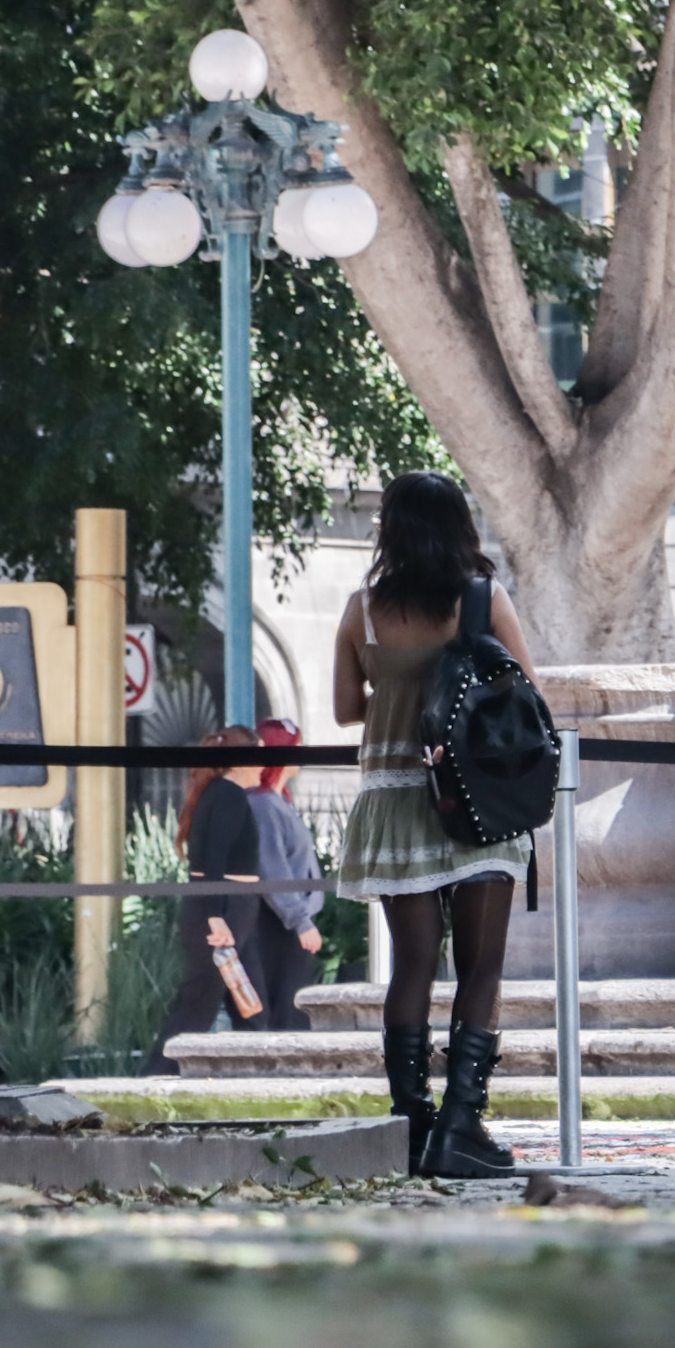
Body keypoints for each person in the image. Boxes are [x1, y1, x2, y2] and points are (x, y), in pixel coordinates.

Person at [333, 474, 536, 1178]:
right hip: (477, 799)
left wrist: (399, 691)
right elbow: (526, 696)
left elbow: (342, 710)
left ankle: (410, 1126)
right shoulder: (484, 600)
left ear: (390, 529)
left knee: (413, 965)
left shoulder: (362, 611)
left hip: (394, 799)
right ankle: (461, 1127)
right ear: (460, 526)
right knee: (481, 968)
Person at [147, 725, 266, 1072]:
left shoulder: (222, 793)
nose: (265, 765)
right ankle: (156, 1077)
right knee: (196, 1006)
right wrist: (216, 917)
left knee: (252, 1004)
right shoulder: (227, 794)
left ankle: (256, 1081)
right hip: (222, 910)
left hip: (233, 909)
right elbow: (212, 859)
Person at [247, 718, 325, 1033]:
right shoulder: (264, 806)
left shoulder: (278, 802)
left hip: (288, 923)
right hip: (278, 924)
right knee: (287, 1011)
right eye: (295, 745)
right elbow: (272, 868)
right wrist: (301, 921)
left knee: (291, 1008)